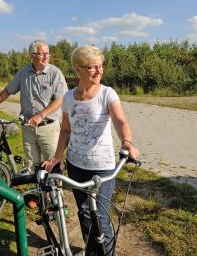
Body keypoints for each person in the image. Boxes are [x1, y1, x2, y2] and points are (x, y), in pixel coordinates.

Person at [43, 45, 140, 255]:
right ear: (78, 70)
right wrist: (58, 156)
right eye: (92, 67)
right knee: (85, 212)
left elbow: (121, 121)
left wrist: (127, 142)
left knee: (101, 219)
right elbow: (66, 130)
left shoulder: (107, 94)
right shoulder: (68, 98)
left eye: (100, 66)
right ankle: (91, 250)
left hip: (102, 168)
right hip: (76, 165)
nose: (99, 71)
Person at [0, 40, 68, 174]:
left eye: (48, 53)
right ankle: (40, 195)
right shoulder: (23, 73)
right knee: (32, 167)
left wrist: (40, 116)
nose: (46, 56)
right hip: (28, 128)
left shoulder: (55, 73)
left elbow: (60, 100)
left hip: (48, 127)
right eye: (42, 54)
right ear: (32, 56)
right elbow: (7, 91)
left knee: (53, 166)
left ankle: (57, 194)